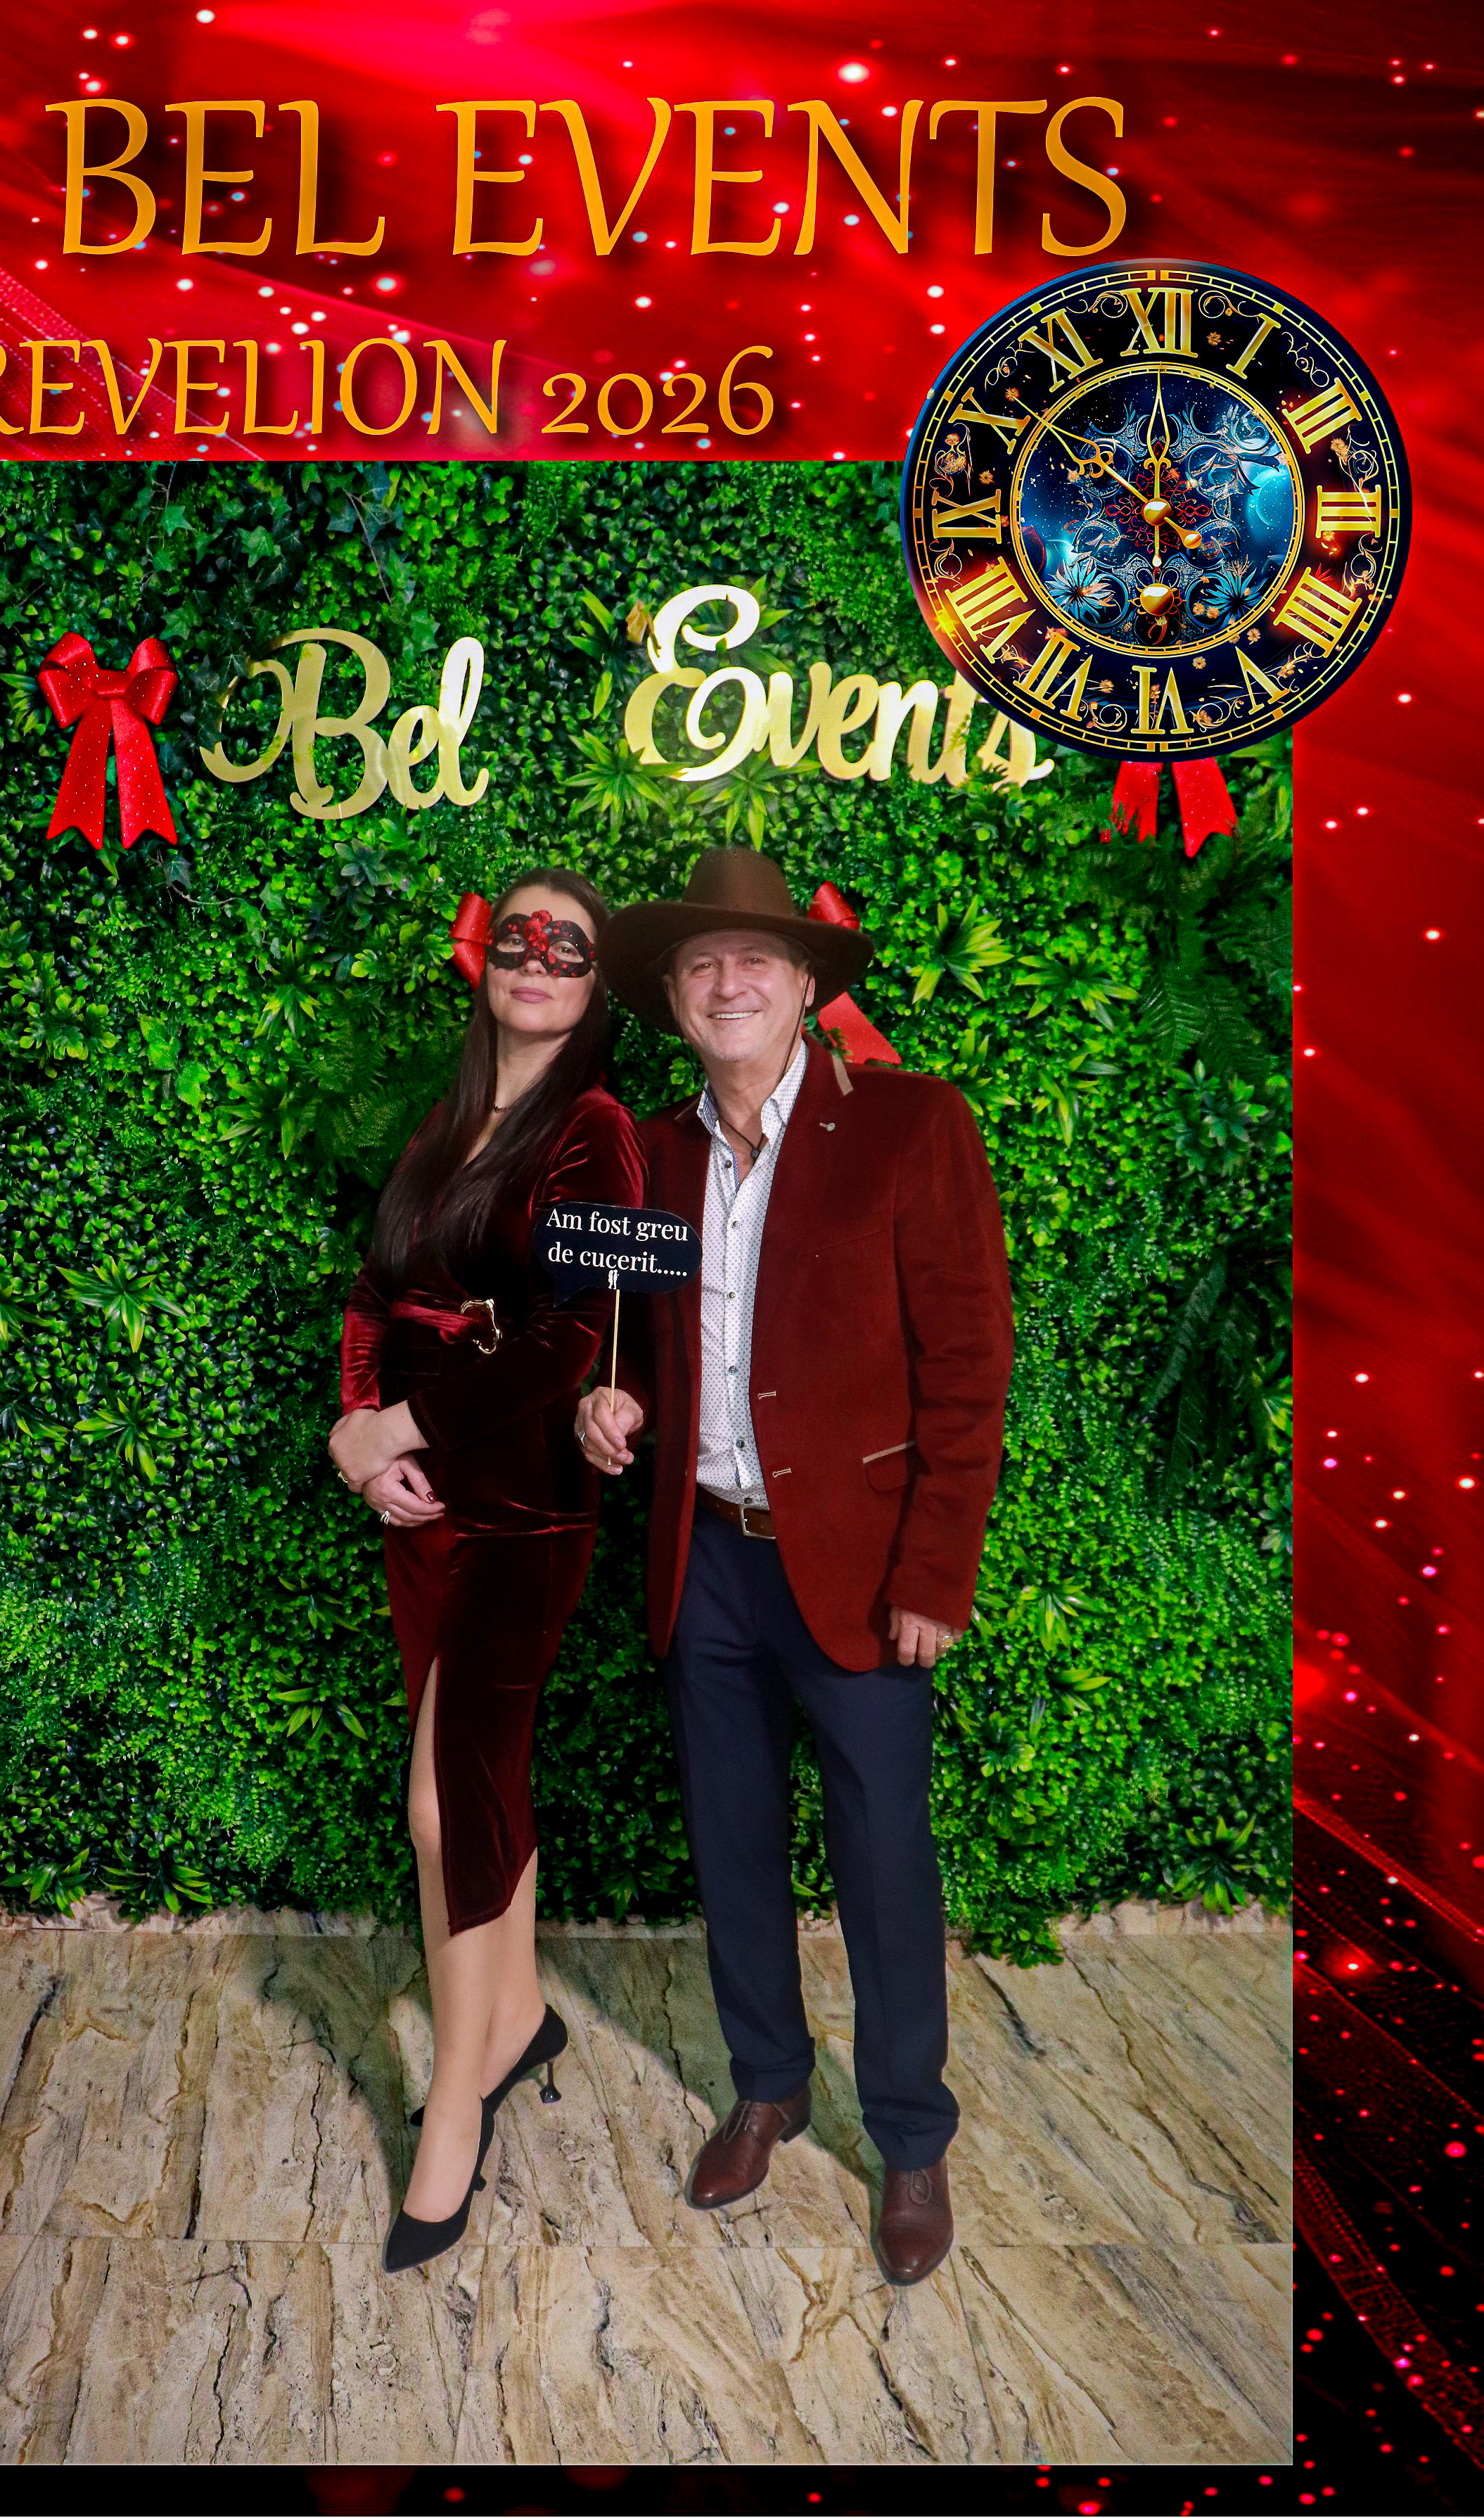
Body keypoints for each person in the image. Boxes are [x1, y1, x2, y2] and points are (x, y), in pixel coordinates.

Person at [579, 846, 1012, 2287]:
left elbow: (968, 1364)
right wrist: (607, 1400)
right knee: (731, 1842)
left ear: (806, 983)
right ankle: (768, 2085)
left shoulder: (910, 1126)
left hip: (863, 1568)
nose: (728, 982)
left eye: (754, 959)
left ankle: (910, 2138)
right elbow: (627, 1336)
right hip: (703, 1558)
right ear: (672, 998)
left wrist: (935, 1574)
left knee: (885, 1862)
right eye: (700, 964)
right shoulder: (647, 1152)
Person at [331, 870, 644, 2272]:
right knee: (482, 1780)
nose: (536, 958)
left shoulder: (596, 1129)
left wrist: (402, 1423)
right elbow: (373, 1295)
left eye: (567, 946)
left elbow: (573, 1336)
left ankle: (455, 2104)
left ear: (594, 985)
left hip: (523, 1506)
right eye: (516, 937)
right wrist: (360, 1437)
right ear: (486, 961)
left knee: (443, 1802)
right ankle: (515, 2020)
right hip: (420, 1508)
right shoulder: (445, 1120)